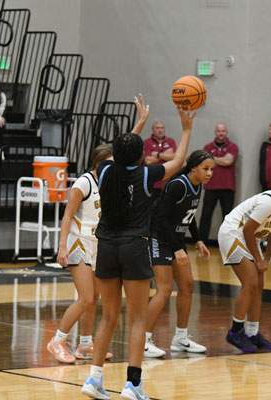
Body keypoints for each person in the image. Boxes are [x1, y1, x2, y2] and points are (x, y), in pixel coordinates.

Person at [81, 98, 196, 400]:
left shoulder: (105, 170)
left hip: (106, 247)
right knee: (137, 319)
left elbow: (122, 152)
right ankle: (133, 385)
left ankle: (94, 378)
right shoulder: (147, 175)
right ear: (142, 155)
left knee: (108, 317)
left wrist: (139, 123)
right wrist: (186, 129)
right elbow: (178, 162)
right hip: (134, 247)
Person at [46, 144, 115, 364]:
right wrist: (62, 247)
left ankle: (85, 345)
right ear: (98, 163)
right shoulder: (84, 182)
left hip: (98, 244)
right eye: (109, 163)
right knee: (85, 298)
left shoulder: (110, 183)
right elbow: (67, 215)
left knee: (93, 299)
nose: (112, 167)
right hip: (78, 242)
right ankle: (57, 340)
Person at [218, 172, 271, 352]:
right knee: (250, 282)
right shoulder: (268, 202)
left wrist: (266, 259)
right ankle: (235, 332)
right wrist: (258, 259)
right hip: (233, 232)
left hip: (250, 238)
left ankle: (253, 333)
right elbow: (247, 230)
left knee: (258, 285)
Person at [144, 150, 214, 358]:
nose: (209, 173)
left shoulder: (198, 185)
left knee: (187, 286)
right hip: (160, 238)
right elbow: (161, 219)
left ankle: (180, 338)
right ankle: (143, 340)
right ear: (193, 167)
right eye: (205, 169)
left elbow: (188, 215)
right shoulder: (178, 185)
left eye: (211, 170)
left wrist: (198, 239)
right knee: (164, 290)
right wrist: (176, 248)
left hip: (176, 240)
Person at [198, 123, 239, 243]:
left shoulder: (233, 146)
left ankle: (226, 241)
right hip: (210, 186)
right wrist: (220, 159)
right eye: (219, 131)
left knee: (227, 216)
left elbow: (228, 161)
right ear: (215, 132)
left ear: (226, 132)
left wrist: (212, 158)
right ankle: (201, 241)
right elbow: (205, 164)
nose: (221, 133)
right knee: (206, 215)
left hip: (227, 187)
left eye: (223, 131)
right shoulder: (207, 147)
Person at [143, 120, 177, 201]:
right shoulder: (147, 142)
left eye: (162, 128)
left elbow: (175, 157)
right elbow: (148, 161)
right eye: (157, 128)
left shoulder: (171, 141)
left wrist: (157, 154)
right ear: (153, 129)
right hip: (153, 182)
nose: (160, 130)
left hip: (168, 181)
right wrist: (166, 154)